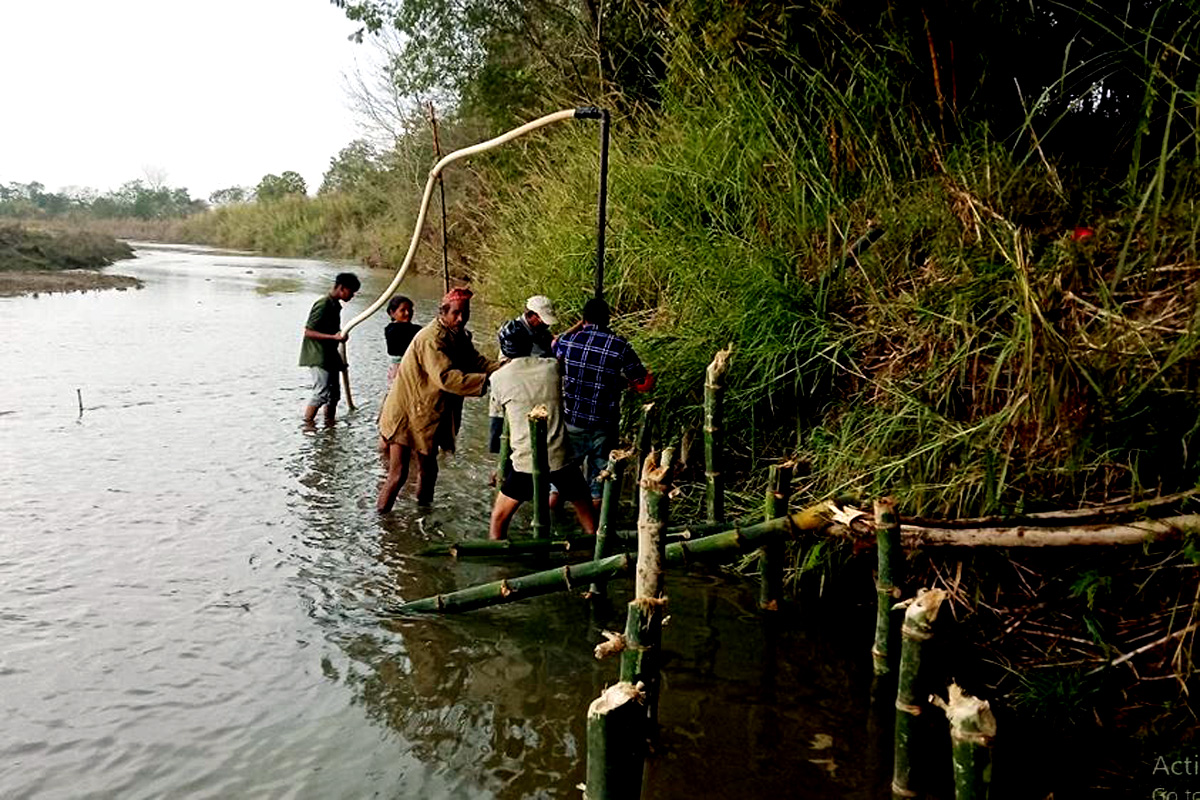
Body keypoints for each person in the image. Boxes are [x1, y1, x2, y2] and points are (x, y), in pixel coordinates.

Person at [377, 287, 501, 511]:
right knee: (398, 474)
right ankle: (383, 522)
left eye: (465, 313)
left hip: (425, 413)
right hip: (405, 412)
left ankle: (423, 515)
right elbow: (446, 378)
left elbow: (477, 362)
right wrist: (487, 382)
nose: (461, 318)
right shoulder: (432, 339)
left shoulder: (458, 335)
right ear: (443, 313)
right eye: (456, 313)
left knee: (429, 470)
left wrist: (504, 368)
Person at [553, 296, 655, 501]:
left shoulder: (569, 341)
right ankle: (595, 530)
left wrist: (577, 327)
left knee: (559, 479)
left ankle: (551, 522)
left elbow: (555, 344)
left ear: (583, 319)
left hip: (573, 421)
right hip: (604, 425)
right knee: (599, 481)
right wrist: (624, 383)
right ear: (608, 319)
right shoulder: (620, 346)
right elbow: (644, 383)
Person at [488, 354, 597, 540]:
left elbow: (497, 422)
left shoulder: (498, 377)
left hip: (526, 460)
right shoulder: (551, 367)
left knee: (498, 519)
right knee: (586, 509)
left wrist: (501, 466)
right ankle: (595, 546)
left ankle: (498, 559)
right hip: (559, 456)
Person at [490, 294, 557, 458]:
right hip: (514, 388)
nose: (544, 324)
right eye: (541, 319)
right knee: (509, 435)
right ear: (530, 315)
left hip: (532, 387)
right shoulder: (512, 332)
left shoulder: (540, 331)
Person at [299, 272, 360, 426]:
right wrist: (334, 338)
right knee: (321, 393)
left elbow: (333, 334)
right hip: (318, 356)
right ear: (341, 288)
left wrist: (340, 361)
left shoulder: (335, 306)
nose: (352, 296)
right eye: (351, 292)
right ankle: (307, 425)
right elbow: (308, 332)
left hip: (330, 356)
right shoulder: (323, 304)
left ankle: (329, 426)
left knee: (334, 395)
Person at [384, 295, 421, 386]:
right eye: (402, 310)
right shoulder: (394, 330)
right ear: (392, 313)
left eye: (410, 310)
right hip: (403, 370)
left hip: (396, 369)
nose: (408, 313)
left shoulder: (389, 328)